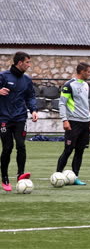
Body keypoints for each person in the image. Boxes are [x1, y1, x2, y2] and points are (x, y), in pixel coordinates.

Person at [0, 51, 38, 191]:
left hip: (20, 117)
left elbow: (30, 97)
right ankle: (4, 177)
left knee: (21, 145)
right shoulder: (3, 76)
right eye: (27, 62)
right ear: (20, 62)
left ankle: (20, 175)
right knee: (7, 147)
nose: (29, 65)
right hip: (4, 118)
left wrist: (33, 110)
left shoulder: (27, 80)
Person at [56, 62, 90, 185]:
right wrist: (64, 120)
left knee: (80, 151)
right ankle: (57, 175)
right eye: (88, 71)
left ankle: (75, 177)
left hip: (84, 123)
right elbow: (62, 103)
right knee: (68, 150)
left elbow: (84, 104)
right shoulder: (69, 85)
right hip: (73, 122)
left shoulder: (86, 85)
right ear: (82, 71)